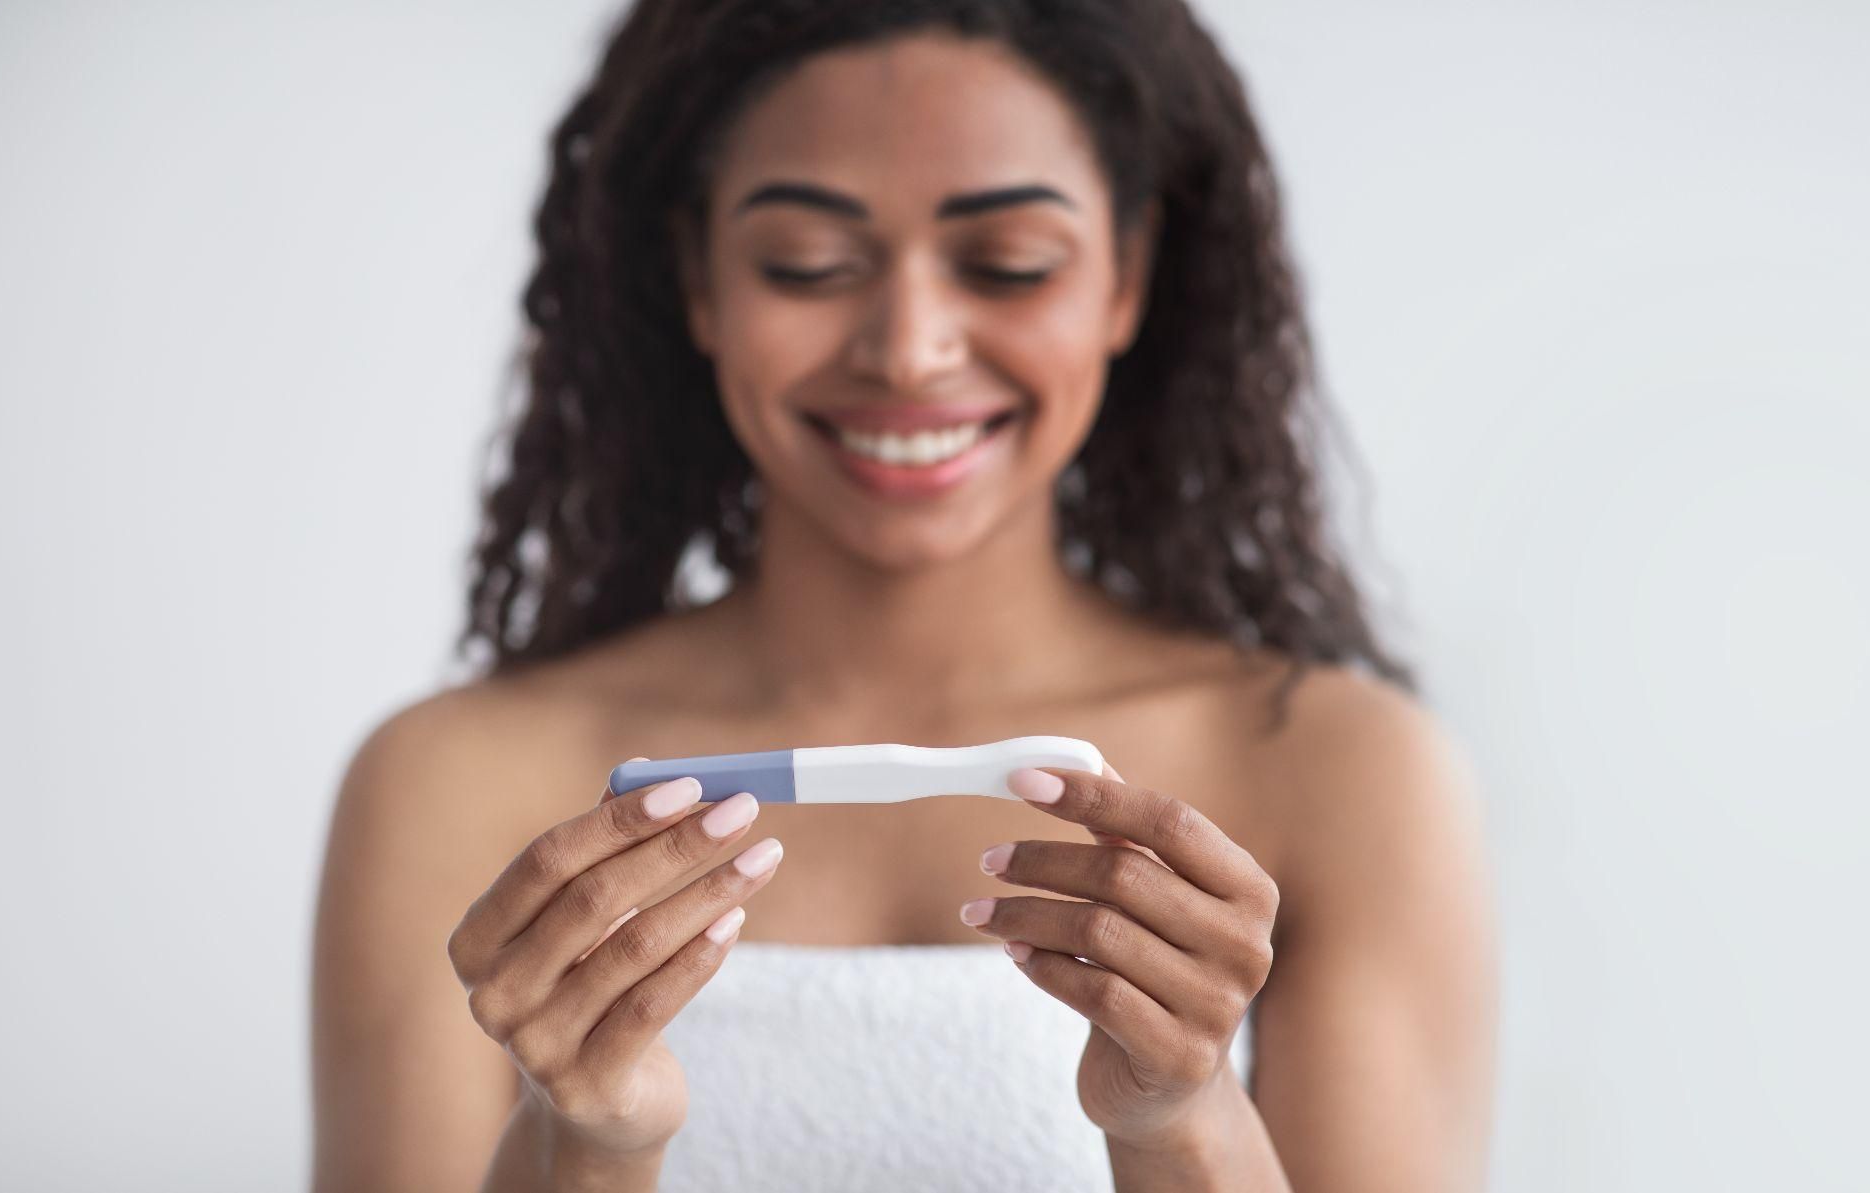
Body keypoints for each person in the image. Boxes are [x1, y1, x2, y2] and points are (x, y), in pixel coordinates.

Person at [311, 1, 1496, 1189]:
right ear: (699, 279)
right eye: (808, 266)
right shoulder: (451, 784)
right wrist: (589, 1145)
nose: (908, 347)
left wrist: (1180, 1122)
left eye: (1008, 264)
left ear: (1127, 276)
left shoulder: (1339, 768)